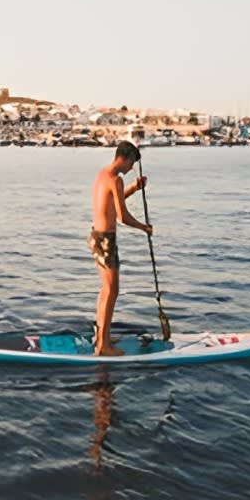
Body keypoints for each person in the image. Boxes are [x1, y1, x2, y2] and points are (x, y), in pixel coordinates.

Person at [88, 141, 151, 355]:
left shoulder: (102, 174)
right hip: (106, 241)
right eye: (131, 163)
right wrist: (143, 227)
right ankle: (103, 346)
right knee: (111, 290)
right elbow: (122, 216)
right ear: (124, 158)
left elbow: (112, 204)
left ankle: (101, 336)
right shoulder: (116, 179)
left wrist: (133, 187)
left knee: (106, 290)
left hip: (96, 237)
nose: (131, 168)